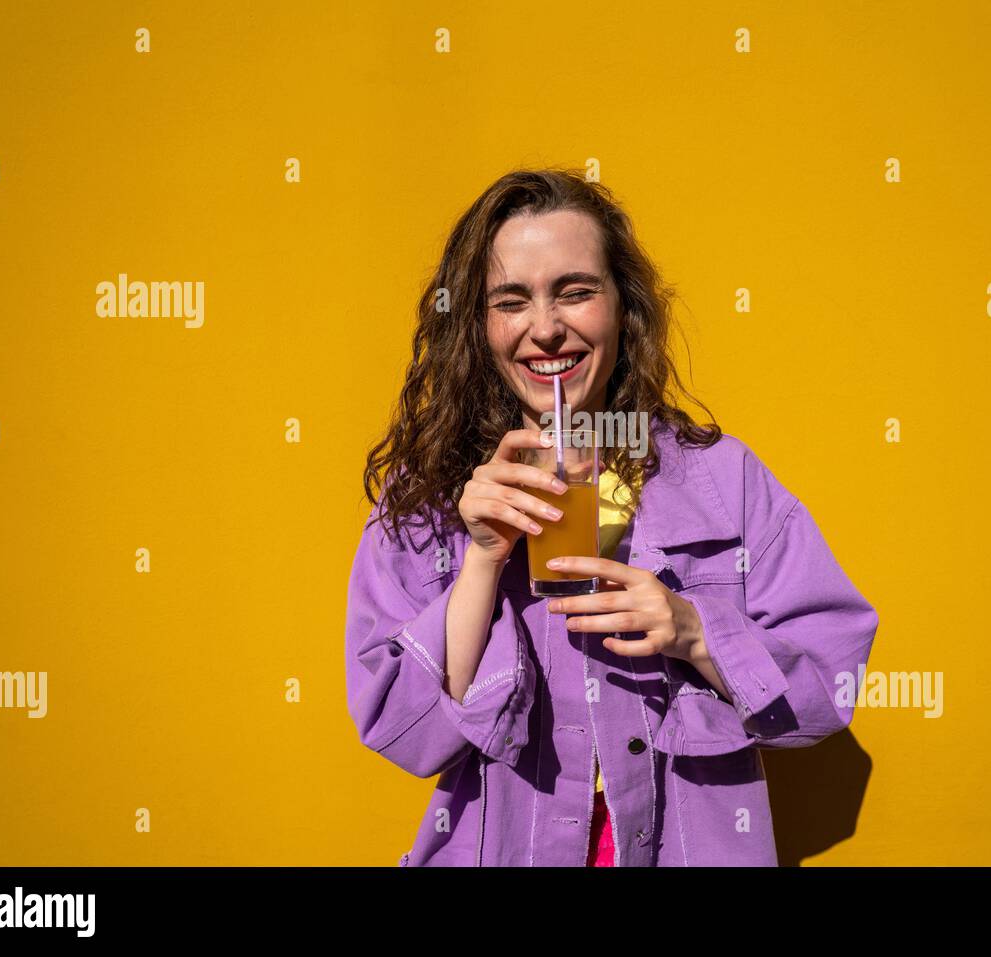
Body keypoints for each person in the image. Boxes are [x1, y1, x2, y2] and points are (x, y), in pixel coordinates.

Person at [344, 168, 880, 866]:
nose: (546, 328)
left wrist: (695, 632)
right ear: (478, 325)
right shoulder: (433, 495)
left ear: (622, 307)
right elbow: (401, 730)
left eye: (575, 291)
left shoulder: (720, 477)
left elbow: (828, 687)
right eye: (512, 300)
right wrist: (480, 561)